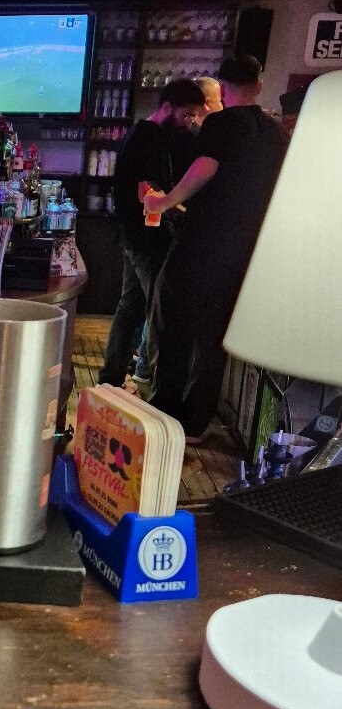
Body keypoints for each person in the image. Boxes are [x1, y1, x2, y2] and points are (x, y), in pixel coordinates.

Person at [144, 55, 288, 442]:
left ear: (222, 88)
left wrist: (164, 201)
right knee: (214, 337)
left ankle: (165, 412)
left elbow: (203, 169)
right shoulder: (277, 133)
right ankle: (196, 423)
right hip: (245, 250)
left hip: (201, 243)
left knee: (175, 324)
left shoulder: (221, 123)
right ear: (259, 85)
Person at [97, 79, 205, 388]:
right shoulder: (149, 138)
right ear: (167, 107)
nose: (189, 122)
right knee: (159, 312)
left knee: (130, 308)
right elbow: (147, 192)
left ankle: (110, 380)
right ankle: (157, 388)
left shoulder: (143, 133)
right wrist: (179, 207)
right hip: (147, 238)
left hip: (133, 236)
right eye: (186, 114)